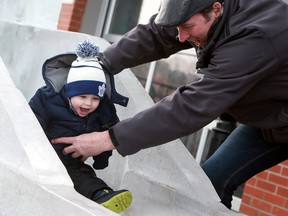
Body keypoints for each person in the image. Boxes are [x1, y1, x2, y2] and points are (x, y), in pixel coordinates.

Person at [52, 0, 288, 210]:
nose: (182, 37)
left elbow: (192, 106)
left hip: (278, 118)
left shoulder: (256, 35)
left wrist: (105, 140)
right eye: (178, 28)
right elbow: (155, 34)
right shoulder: (198, 14)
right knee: (210, 186)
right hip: (271, 122)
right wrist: (100, 65)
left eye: (187, 28)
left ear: (216, 9)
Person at [29, 40, 132, 214]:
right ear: (70, 91)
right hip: (42, 157)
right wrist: (33, 149)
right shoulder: (47, 99)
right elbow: (30, 122)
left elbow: (108, 132)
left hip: (72, 161)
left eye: (95, 98)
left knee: (83, 176)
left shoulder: (103, 110)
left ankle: (102, 195)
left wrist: (102, 158)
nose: (88, 104)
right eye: (82, 96)